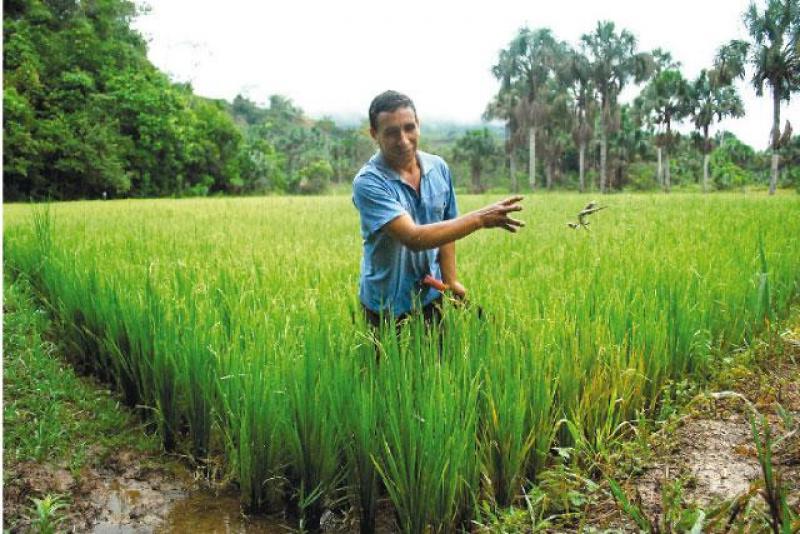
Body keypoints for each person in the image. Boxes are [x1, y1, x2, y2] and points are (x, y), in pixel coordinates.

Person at [352, 90, 525, 330]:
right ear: (374, 134)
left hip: (430, 293)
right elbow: (412, 238)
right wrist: (480, 219)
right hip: (385, 304)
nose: (403, 139)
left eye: (409, 128)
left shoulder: (438, 167)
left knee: (438, 364)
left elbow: (447, 224)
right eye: (391, 132)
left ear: (418, 125)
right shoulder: (369, 182)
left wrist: (450, 279)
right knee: (387, 367)